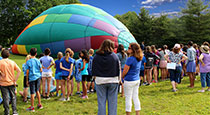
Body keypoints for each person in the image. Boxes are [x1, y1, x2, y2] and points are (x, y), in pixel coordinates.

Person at [92, 39, 120, 115]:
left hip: (100, 80)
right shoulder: (115, 56)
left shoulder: (96, 56)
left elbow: (93, 69)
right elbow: (118, 69)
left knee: (101, 102)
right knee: (113, 102)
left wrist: (95, 78)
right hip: (113, 80)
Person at [122, 43, 143, 115]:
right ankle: (138, 113)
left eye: (129, 48)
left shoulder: (130, 59)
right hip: (136, 79)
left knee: (128, 98)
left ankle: (128, 113)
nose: (127, 49)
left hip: (129, 80)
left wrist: (122, 77)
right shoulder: (139, 57)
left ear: (133, 49)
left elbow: (125, 70)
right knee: (135, 97)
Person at [0, 49, 21, 115]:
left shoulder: (0, 62)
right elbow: (19, 71)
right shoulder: (12, 62)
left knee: (5, 98)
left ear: (1, 55)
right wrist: (15, 80)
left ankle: (7, 112)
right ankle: (14, 111)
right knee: (13, 97)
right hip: (12, 82)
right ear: (8, 55)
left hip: (3, 83)